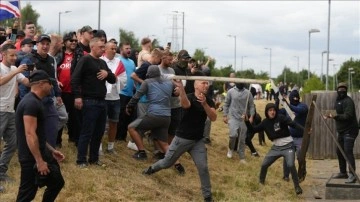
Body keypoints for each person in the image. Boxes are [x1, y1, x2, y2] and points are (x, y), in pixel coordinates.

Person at [143, 75, 217, 202]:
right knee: (167, 163)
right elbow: (185, 105)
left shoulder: (209, 101)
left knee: (203, 167)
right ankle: (151, 169)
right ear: (196, 85)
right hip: (182, 138)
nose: (206, 85)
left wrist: (204, 104)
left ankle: (207, 196)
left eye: (207, 83)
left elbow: (213, 117)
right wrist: (181, 89)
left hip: (197, 141)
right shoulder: (189, 96)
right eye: (203, 83)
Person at [15, 70, 65, 202]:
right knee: (26, 195)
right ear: (42, 84)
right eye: (50, 84)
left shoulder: (36, 101)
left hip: (41, 152)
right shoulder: (31, 103)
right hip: (30, 157)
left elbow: (38, 134)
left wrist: (52, 150)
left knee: (57, 182)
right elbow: (30, 134)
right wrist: (39, 161)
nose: (52, 87)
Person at [71, 37, 116, 167]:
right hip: (89, 101)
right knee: (87, 132)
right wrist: (77, 96)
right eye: (101, 47)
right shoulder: (85, 60)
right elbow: (75, 79)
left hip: (102, 102)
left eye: (104, 47)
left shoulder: (102, 63)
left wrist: (107, 74)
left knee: (99, 132)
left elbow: (113, 79)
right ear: (93, 47)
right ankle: (81, 160)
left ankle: (94, 159)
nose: (103, 49)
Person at [243, 103, 303, 195]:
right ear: (267, 112)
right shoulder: (265, 122)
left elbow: (294, 124)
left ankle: (297, 187)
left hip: (288, 146)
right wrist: (247, 121)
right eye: (270, 110)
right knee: (264, 164)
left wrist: (304, 130)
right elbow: (253, 130)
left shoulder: (281, 118)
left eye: (274, 110)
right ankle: (261, 183)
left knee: (291, 164)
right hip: (276, 148)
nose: (272, 112)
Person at [0, 44, 29, 182]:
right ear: (3, 55)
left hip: (10, 110)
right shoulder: (3, 68)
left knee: (12, 143)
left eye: (15, 55)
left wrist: (37, 76)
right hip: (0, 110)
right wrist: (16, 72)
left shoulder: (14, 69)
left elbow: (26, 82)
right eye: (11, 55)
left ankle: (1, 172)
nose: (14, 58)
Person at [324, 82, 359, 183]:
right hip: (342, 131)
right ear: (337, 90)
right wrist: (329, 115)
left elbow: (348, 116)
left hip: (350, 130)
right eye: (340, 89)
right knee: (339, 151)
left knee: (348, 151)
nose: (341, 91)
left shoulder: (348, 101)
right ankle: (343, 173)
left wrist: (335, 116)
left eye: (343, 89)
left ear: (346, 90)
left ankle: (352, 175)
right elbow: (337, 113)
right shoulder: (338, 100)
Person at [100, 41, 127, 154]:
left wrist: (115, 79)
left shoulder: (119, 62)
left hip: (115, 98)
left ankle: (111, 146)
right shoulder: (100, 61)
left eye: (115, 48)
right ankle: (99, 146)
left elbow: (124, 79)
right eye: (112, 48)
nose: (114, 50)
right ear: (105, 49)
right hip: (103, 97)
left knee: (114, 122)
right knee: (100, 123)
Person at [223, 82, 255, 164]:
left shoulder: (248, 93)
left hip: (243, 118)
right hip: (233, 117)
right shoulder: (230, 91)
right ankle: (230, 149)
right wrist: (225, 115)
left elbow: (251, 105)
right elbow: (226, 104)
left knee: (242, 138)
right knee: (233, 135)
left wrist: (251, 116)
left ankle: (242, 157)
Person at [280, 90, 308, 182]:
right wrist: (277, 103)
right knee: (287, 156)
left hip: (301, 137)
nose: (295, 99)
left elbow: (299, 110)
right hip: (290, 136)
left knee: (300, 156)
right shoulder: (287, 109)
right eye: (293, 98)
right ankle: (286, 176)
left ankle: (302, 173)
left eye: (296, 98)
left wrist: (288, 105)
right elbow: (278, 113)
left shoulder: (303, 106)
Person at [116, 42, 136, 142]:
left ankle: (123, 137)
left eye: (130, 48)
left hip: (130, 93)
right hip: (121, 92)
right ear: (121, 49)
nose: (129, 50)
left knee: (128, 116)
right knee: (120, 115)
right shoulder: (118, 60)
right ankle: (118, 137)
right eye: (126, 48)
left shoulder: (132, 62)